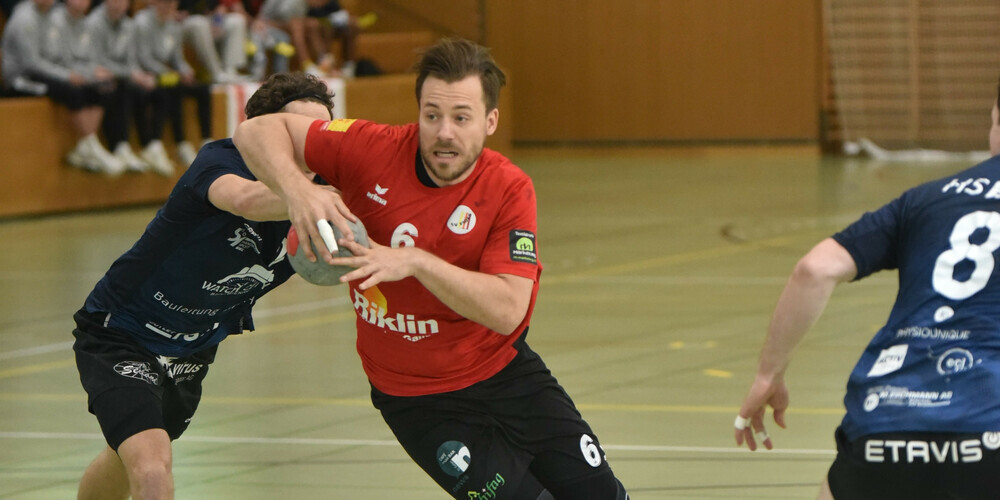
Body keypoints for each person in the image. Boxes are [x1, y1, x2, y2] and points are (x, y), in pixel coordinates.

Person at [233, 38, 630, 499]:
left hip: (505, 374)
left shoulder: (508, 189)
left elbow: (507, 309)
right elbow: (255, 131)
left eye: (461, 118)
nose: (444, 132)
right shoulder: (369, 149)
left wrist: (417, 262)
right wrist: (301, 193)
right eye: (432, 115)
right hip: (417, 400)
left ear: (490, 121)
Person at [72, 72, 337, 500]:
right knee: (153, 470)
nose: (308, 150)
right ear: (261, 134)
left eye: (317, 135)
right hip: (121, 332)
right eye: (294, 134)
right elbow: (247, 201)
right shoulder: (219, 163)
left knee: (127, 458)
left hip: (193, 346)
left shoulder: (327, 188)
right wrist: (326, 198)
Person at [733, 83, 1000, 499]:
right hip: (988, 428)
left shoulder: (925, 200)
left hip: (885, 425)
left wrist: (769, 373)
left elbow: (814, 270)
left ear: (995, 121)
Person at [1, 0, 126, 175]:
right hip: (22, 79)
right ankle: (90, 144)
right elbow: (31, 64)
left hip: (47, 71)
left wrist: (85, 74)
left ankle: (86, 146)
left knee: (98, 89)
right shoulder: (24, 19)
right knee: (71, 90)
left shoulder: (52, 16)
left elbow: (60, 56)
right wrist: (67, 75)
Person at [134, 0, 215, 170]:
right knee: (172, 87)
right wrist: (169, 72)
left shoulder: (174, 26)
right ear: (155, 3)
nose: (169, 7)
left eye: (172, 4)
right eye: (165, 3)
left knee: (203, 89)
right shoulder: (142, 23)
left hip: (168, 76)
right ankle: (180, 142)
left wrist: (185, 70)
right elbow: (143, 58)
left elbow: (177, 57)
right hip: (147, 76)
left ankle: (206, 141)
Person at [86, 0, 163, 173]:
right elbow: (96, 60)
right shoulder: (94, 23)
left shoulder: (129, 25)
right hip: (98, 74)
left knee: (150, 91)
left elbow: (131, 60)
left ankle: (149, 145)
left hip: (121, 76)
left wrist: (139, 75)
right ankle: (119, 145)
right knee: (117, 89)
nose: (120, 4)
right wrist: (129, 74)